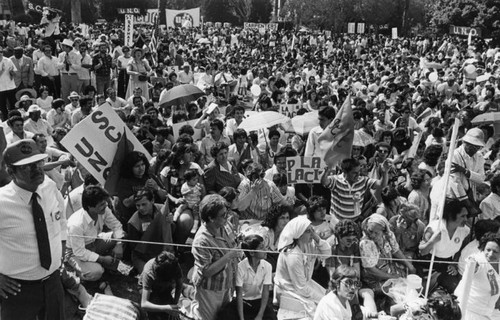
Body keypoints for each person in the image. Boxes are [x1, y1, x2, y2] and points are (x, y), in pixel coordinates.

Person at [0, 139, 66, 320]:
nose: (36, 169)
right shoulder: (2, 203)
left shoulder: (50, 188)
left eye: (38, 162)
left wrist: (62, 247)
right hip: (18, 290)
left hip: (53, 283)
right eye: (27, 166)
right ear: (11, 171)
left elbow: (61, 221)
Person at [191, 194, 239, 320]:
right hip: (210, 290)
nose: (226, 216)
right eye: (223, 215)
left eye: (226, 212)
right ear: (211, 218)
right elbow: (206, 271)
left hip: (226, 285)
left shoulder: (224, 225)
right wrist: (229, 256)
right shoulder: (201, 240)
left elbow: (231, 241)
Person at [274, 215, 331, 318]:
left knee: (329, 302)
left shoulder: (309, 244)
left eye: (312, 230)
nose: (312, 234)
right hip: (290, 288)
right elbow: (301, 287)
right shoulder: (292, 254)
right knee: (324, 306)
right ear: (299, 234)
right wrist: (322, 298)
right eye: (308, 231)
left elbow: (327, 253)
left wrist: (317, 238)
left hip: (304, 285)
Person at [65, 185, 125, 281]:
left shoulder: (104, 210)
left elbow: (117, 226)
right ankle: (82, 271)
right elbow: (80, 252)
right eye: (101, 204)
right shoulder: (76, 223)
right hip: (75, 253)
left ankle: (110, 269)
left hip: (95, 241)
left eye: (105, 202)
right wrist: (102, 258)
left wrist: (119, 244)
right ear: (90, 207)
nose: (105, 205)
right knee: (96, 272)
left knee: (121, 235)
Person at [217, 234, 277, 320]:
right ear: (252, 252)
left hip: (258, 301)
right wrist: (242, 318)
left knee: (271, 317)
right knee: (225, 315)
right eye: (261, 248)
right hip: (243, 302)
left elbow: (265, 292)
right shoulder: (240, 267)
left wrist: (260, 315)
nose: (265, 250)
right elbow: (239, 295)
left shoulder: (267, 266)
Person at [419, 198, 470, 293]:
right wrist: (432, 241)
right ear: (451, 215)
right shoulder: (434, 228)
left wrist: (454, 263)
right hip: (428, 264)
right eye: (462, 216)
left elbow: (461, 250)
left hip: (446, 265)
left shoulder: (465, 231)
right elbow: (422, 251)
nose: (466, 219)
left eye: (466, 216)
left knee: (457, 291)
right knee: (423, 292)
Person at [160, 142, 204, 244]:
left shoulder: (195, 168)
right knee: (185, 221)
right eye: (188, 152)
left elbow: (203, 190)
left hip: (196, 203)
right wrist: (176, 200)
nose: (192, 154)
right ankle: (178, 245)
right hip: (178, 204)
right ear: (180, 155)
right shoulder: (168, 171)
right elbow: (165, 192)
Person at [321, 158, 389, 224]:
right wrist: (326, 172)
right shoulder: (336, 180)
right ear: (345, 172)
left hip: (355, 221)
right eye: (354, 173)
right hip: (337, 222)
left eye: (359, 171)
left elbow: (381, 184)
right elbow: (325, 182)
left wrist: (385, 172)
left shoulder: (363, 180)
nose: (358, 174)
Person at [359, 214, 416, 292]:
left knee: (410, 274)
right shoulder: (365, 243)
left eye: (376, 233)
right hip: (374, 278)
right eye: (370, 231)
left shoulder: (388, 235)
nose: (372, 235)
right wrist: (391, 276)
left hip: (389, 268)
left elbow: (395, 250)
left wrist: (409, 266)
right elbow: (370, 269)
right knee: (400, 289)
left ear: (383, 231)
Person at [128, 189, 175, 274]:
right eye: (138, 205)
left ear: (152, 201)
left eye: (144, 204)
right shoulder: (133, 221)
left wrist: (171, 223)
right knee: (152, 275)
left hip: (163, 251)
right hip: (143, 255)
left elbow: (171, 234)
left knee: (168, 274)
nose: (141, 208)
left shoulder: (163, 210)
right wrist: (155, 261)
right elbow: (134, 247)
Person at [455, 232, 500, 320]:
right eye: (488, 250)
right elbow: (472, 260)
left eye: (495, 252)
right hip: (469, 311)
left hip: (489, 312)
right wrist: (472, 263)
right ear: (483, 248)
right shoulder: (479, 259)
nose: (490, 254)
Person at [139, 251, 183, 320]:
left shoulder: (175, 265)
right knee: (156, 311)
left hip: (164, 288)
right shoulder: (149, 272)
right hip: (150, 290)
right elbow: (144, 304)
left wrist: (174, 305)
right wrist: (165, 308)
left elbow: (179, 285)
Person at [0, 47, 18, 120]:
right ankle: (5, 121)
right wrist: (2, 70)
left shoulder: (8, 60)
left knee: (13, 105)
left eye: (1, 51)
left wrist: (12, 73)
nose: (0, 53)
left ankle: (14, 119)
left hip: (10, 86)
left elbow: (15, 73)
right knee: (3, 107)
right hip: (1, 88)